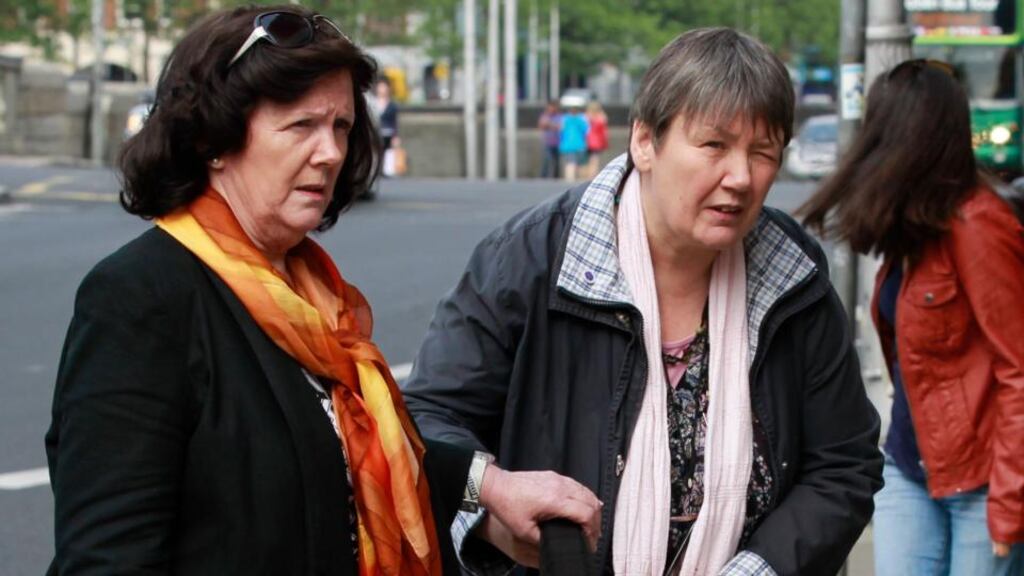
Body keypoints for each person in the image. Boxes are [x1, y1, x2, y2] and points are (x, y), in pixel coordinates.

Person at [45, 6, 600, 575]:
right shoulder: (140, 297)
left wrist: (489, 487)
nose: (331, 152)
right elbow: (107, 555)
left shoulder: (311, 291)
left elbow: (348, 457)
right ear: (215, 138)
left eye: (340, 126)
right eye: (301, 126)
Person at [404, 27, 883, 575]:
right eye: (713, 146)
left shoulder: (792, 277)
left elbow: (845, 463)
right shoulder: (532, 261)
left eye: (763, 152)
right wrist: (489, 502)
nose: (741, 177)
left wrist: (756, 570)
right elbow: (427, 417)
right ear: (644, 142)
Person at [801, 58, 1024, 576]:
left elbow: (1019, 368)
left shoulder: (979, 225)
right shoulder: (912, 224)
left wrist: (1010, 503)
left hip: (984, 482)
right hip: (909, 465)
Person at [559, 104, 589, 182]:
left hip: (568, 145)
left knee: (570, 163)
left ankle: (570, 179)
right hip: (580, 144)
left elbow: (561, 132)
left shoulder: (565, 119)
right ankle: (581, 180)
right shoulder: (581, 120)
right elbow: (586, 131)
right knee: (581, 164)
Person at [584, 100, 610, 179]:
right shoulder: (601, 118)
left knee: (590, 159)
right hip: (597, 141)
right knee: (595, 159)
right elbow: (605, 131)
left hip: (587, 140)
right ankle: (592, 175)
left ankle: (589, 175)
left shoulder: (586, 117)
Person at [538, 100, 562, 179]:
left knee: (557, 160)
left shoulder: (559, 116)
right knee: (547, 159)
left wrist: (549, 125)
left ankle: (556, 176)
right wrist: (552, 125)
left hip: (557, 142)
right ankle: (543, 176)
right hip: (547, 141)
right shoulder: (545, 115)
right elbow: (542, 125)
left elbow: (559, 127)